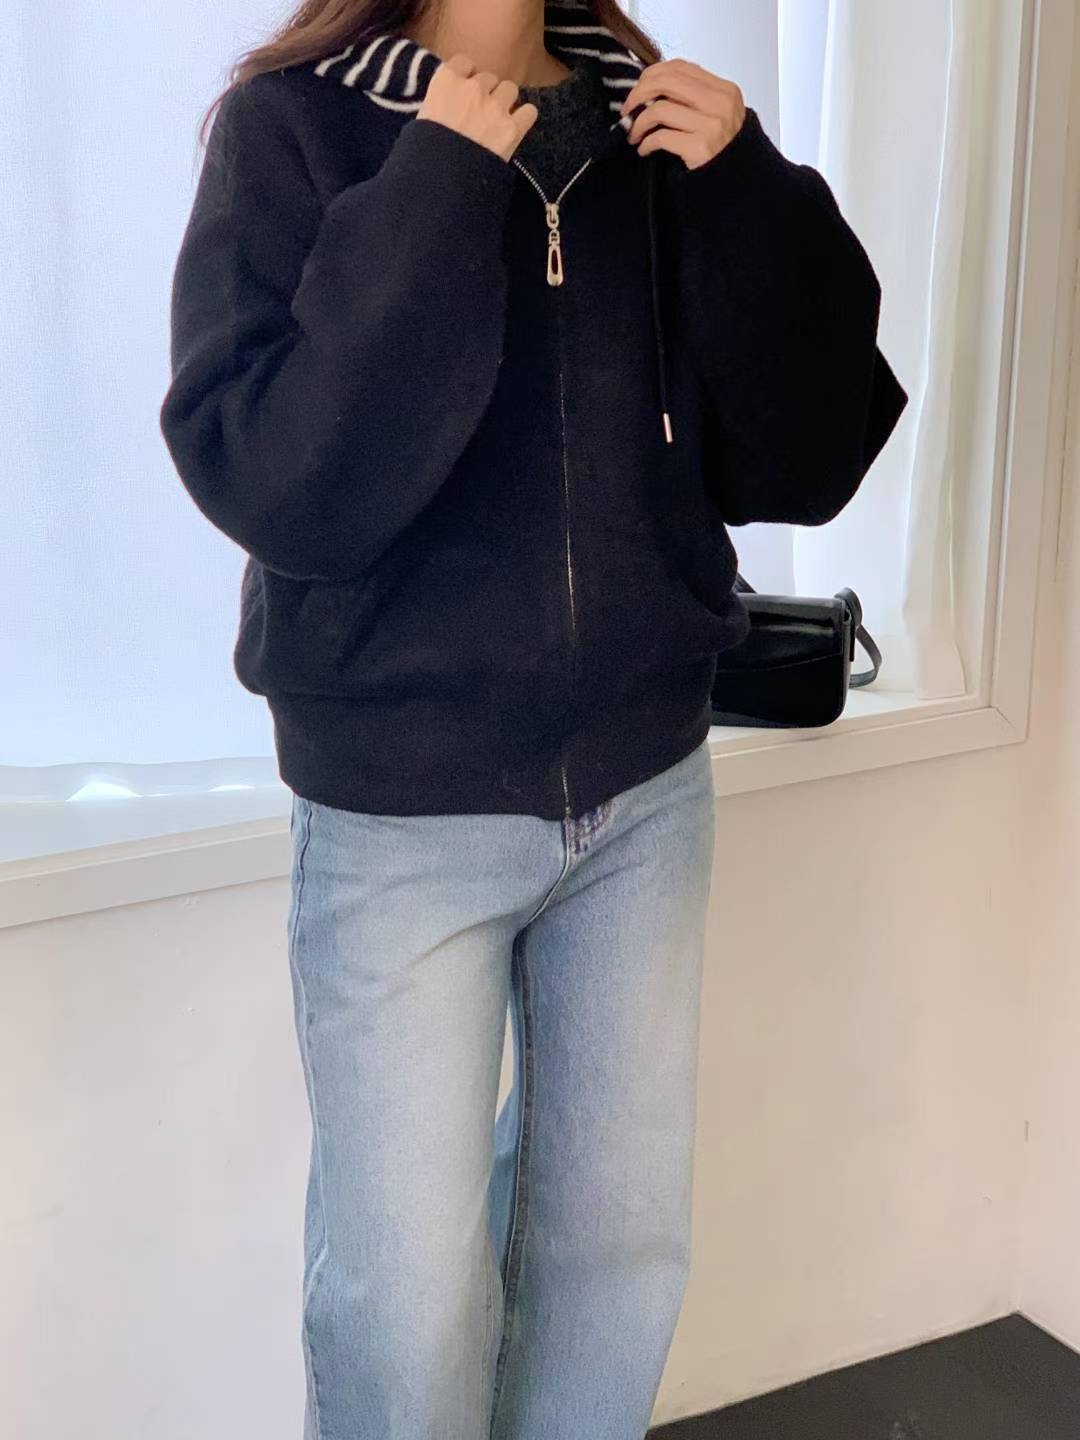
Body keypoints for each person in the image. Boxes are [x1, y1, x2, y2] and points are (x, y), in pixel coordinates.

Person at [159, 1, 908, 1435]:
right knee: (405, 1304)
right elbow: (277, 484)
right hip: (402, 813)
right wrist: (437, 180)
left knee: (616, 1261)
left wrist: (747, 188)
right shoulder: (297, 124)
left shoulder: (655, 124)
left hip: (644, 796)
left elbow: (807, 461)